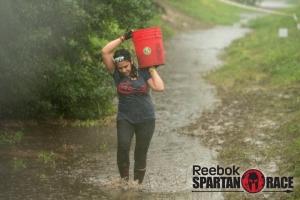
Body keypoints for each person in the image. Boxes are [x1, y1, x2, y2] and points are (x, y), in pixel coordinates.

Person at [101, 30, 164, 184]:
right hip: (125, 118)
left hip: (146, 119)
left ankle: (136, 187)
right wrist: (123, 37)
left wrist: (151, 68)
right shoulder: (116, 73)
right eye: (120, 67)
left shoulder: (143, 72)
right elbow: (105, 51)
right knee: (123, 148)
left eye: (126, 66)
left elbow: (159, 87)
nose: (123, 70)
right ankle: (124, 184)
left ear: (132, 61)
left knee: (140, 154)